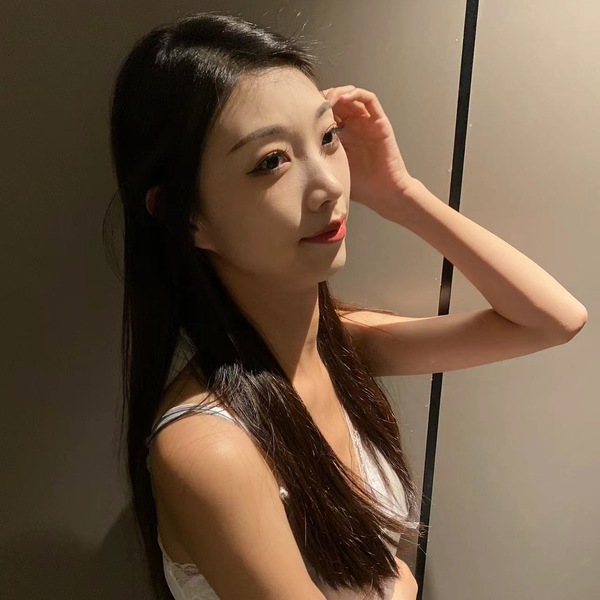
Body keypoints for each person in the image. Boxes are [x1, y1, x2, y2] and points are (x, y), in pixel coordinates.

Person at [106, 10, 587, 600]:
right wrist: (402, 585)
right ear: (186, 217)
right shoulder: (210, 448)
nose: (330, 185)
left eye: (327, 137)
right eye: (271, 161)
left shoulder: (334, 343)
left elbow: (553, 320)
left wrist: (401, 193)